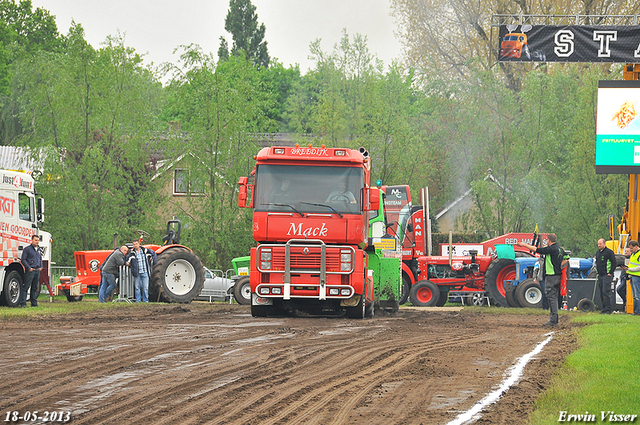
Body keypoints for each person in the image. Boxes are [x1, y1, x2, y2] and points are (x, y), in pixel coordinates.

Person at [517, 234, 564, 326]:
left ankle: (553, 320)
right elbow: (566, 259)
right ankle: (555, 319)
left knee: (551, 297)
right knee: (554, 297)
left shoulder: (551, 249)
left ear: (549, 240)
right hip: (558, 276)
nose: (546, 241)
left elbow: (536, 250)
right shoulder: (560, 249)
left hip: (551, 276)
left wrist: (524, 245)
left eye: (546, 240)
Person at [595, 238, 617, 314]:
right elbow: (597, 263)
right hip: (600, 275)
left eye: (600, 244)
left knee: (606, 291)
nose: (599, 245)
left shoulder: (609, 252)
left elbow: (614, 263)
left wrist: (610, 272)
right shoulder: (598, 252)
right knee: (601, 292)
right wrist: (597, 272)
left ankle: (609, 309)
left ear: (604, 244)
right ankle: (604, 308)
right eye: (598, 244)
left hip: (607, 275)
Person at [19, 234, 42, 308]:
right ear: (32, 240)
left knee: (34, 287)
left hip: (37, 270)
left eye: (38, 240)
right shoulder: (27, 249)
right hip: (30, 270)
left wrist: (41, 266)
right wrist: (28, 268)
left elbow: (40, 259)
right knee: (26, 287)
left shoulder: (39, 249)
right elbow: (23, 259)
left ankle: (34, 303)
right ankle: (23, 303)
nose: (37, 242)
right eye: (35, 240)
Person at [622, 240, 640, 315]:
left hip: (637, 277)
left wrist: (629, 269)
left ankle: (637, 312)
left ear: (636, 246)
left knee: (637, 295)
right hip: (632, 276)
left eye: (631, 248)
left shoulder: (639, 254)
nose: (631, 250)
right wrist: (626, 268)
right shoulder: (633, 254)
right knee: (634, 295)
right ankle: (635, 311)